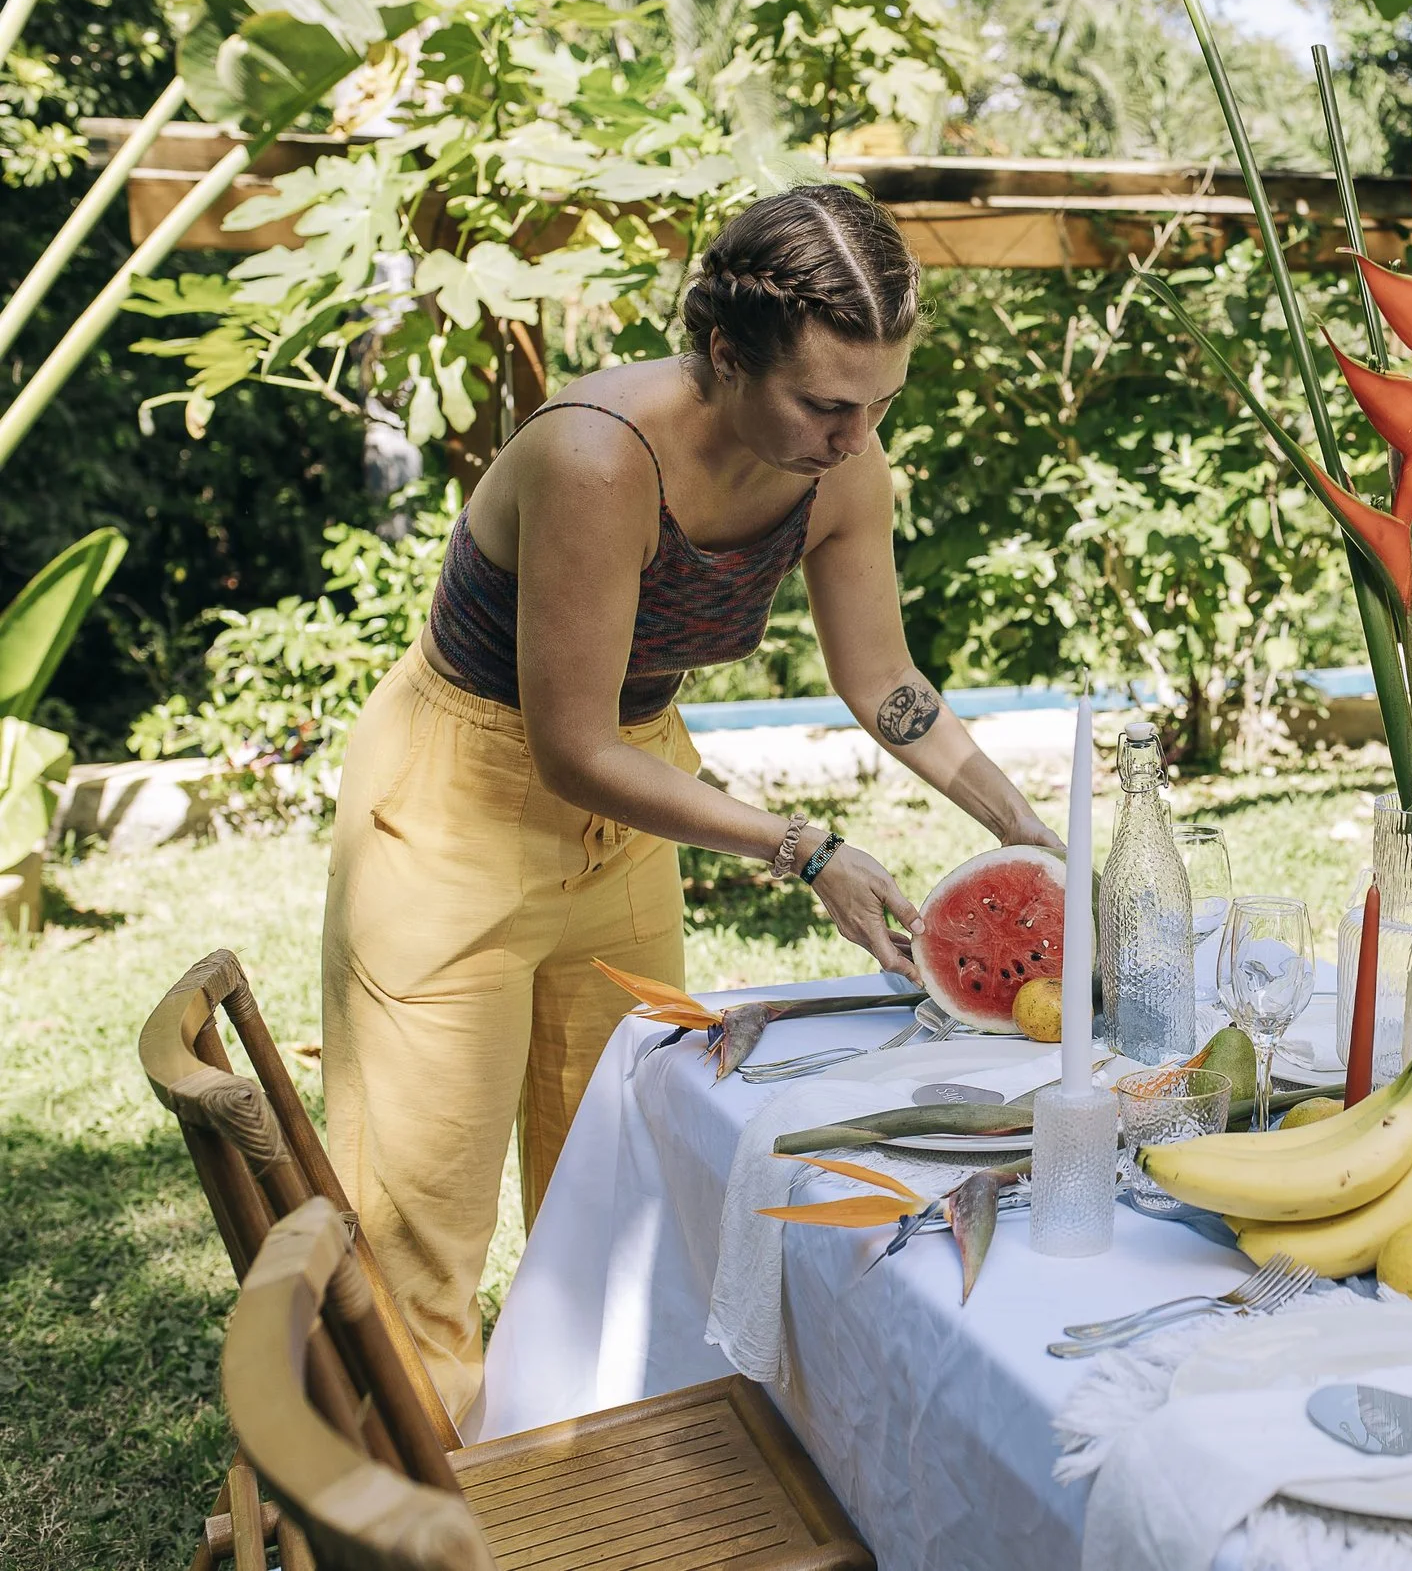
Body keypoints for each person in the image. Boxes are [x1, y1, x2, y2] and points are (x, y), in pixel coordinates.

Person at [320, 184, 1061, 1425]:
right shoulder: (597, 455)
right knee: (415, 1235)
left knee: (613, 1175)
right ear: (724, 352)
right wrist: (804, 846)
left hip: (633, 787)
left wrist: (1016, 822)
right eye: (826, 403)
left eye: (879, 403)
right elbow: (567, 742)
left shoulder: (840, 466)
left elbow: (883, 681)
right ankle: (405, 1527)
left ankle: (574, 1488)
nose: (853, 435)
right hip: (458, 795)